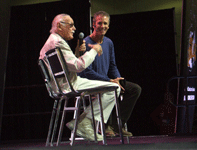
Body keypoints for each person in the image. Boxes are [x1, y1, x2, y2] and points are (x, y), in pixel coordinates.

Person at [39, 14, 121, 141]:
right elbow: (79, 66)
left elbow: (68, 66)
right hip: (69, 84)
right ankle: (85, 122)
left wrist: (77, 52)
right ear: (60, 26)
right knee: (114, 88)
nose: (74, 28)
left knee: (110, 88)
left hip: (62, 84)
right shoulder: (58, 42)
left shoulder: (52, 40)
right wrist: (94, 50)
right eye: (71, 25)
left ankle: (81, 123)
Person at [78, 11, 141, 136]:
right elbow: (86, 71)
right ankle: (105, 126)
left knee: (135, 89)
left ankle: (117, 125)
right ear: (93, 25)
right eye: (99, 23)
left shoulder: (109, 43)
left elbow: (112, 66)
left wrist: (118, 78)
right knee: (112, 89)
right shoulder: (86, 43)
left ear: (109, 25)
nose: (103, 26)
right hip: (92, 82)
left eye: (105, 23)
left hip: (108, 81)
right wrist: (108, 81)